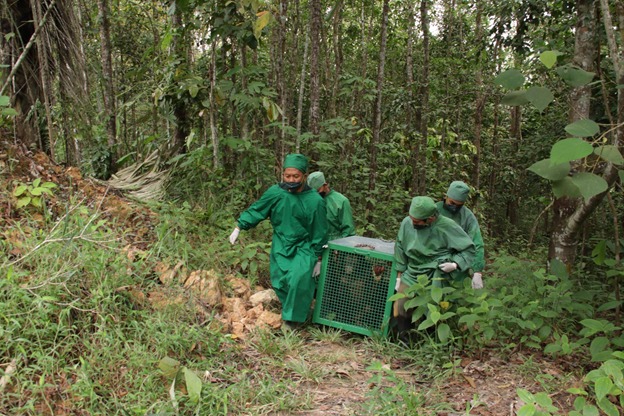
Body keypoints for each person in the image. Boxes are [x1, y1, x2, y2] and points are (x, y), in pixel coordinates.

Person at [229, 154, 328, 330]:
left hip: (304, 246)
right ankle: (294, 309)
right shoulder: (276, 193)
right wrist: (239, 226)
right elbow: (258, 209)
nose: (291, 180)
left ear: (304, 176)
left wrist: (318, 257)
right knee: (280, 281)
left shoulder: (315, 201)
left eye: (295, 176)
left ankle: (292, 321)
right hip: (282, 242)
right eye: (287, 176)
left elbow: (319, 231)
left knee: (299, 279)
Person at [393, 196, 476, 334]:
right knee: (401, 304)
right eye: (411, 219)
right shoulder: (407, 223)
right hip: (413, 270)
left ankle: (431, 340)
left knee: (433, 307)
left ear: (430, 218)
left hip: (436, 271)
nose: (412, 223)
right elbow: (400, 247)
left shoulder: (447, 225)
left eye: (417, 222)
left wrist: (455, 264)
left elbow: (468, 249)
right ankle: (404, 339)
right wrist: (399, 276)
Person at [435, 181, 485, 289]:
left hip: (458, 267)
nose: (455, 207)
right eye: (452, 203)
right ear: (446, 196)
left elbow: (476, 243)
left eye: (459, 205)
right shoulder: (434, 211)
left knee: (456, 299)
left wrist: (477, 272)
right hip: (433, 263)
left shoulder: (467, 217)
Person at [307, 171, 356, 241]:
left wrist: (339, 246)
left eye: (318, 191)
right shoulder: (310, 200)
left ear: (325, 185)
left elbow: (348, 231)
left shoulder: (341, 201)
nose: (316, 194)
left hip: (334, 245)